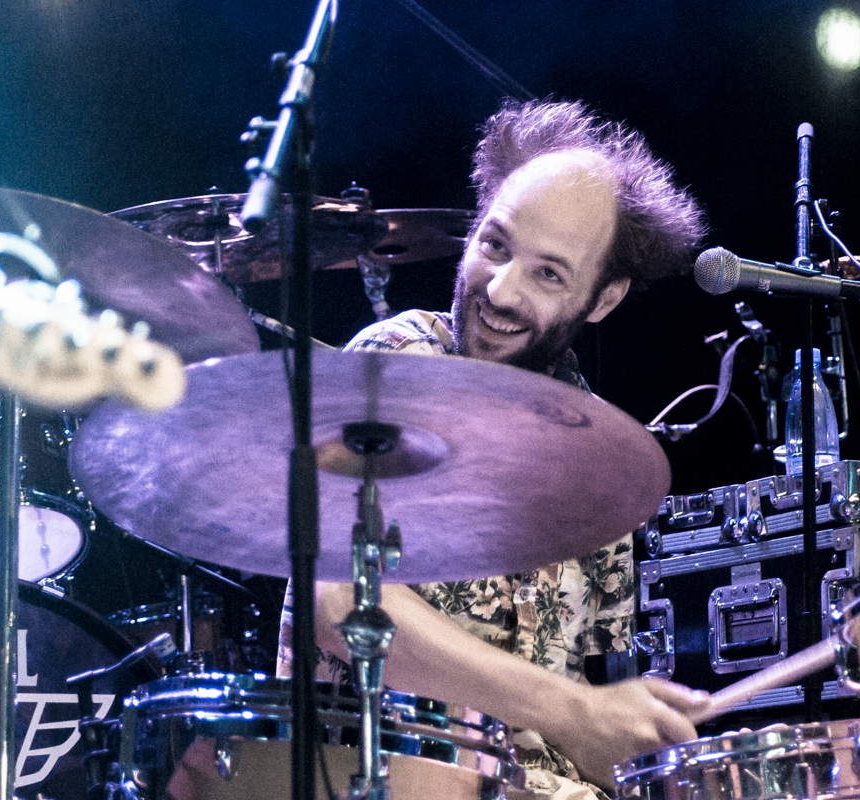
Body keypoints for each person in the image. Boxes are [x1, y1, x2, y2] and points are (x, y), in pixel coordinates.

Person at [277, 98, 711, 800]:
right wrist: (572, 711)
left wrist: (647, 743)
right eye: (495, 246)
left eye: (548, 274)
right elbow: (336, 606)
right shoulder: (393, 365)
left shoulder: (605, 457)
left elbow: (599, 713)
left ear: (603, 299)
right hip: (387, 780)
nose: (501, 290)